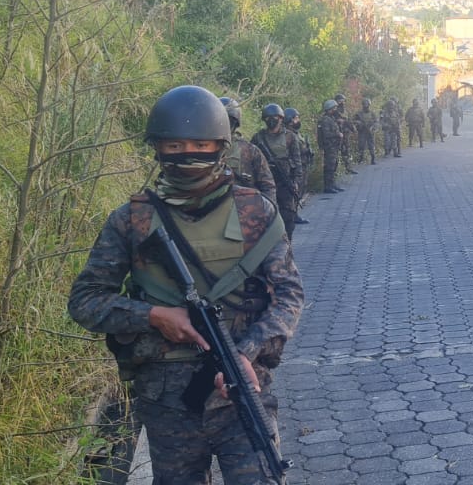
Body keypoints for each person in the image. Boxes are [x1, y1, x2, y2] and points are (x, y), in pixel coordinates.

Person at [68, 84, 304, 484]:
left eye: (200, 144)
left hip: (242, 390)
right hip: (167, 402)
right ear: (158, 149)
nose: (187, 155)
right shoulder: (132, 220)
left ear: (222, 145)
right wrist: (154, 315)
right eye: (174, 146)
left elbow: (289, 295)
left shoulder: (254, 211)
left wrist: (247, 352)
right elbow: (86, 301)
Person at [250, 103, 301, 240]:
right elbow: (252, 161)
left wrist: (296, 182)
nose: (271, 120)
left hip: (285, 182)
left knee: (288, 218)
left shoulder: (290, 137)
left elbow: (297, 161)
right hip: (265, 183)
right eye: (267, 118)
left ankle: (286, 245)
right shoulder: (258, 138)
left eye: (274, 117)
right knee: (267, 217)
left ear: (280, 118)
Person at [218, 97, 277, 211]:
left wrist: (267, 213)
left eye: (227, 121)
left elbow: (268, 186)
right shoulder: (203, 149)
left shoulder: (250, 151)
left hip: (244, 213)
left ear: (234, 123)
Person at [283, 107, 312, 224]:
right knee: (295, 192)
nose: (298, 120)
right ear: (290, 120)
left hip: (302, 165)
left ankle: (294, 214)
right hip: (294, 168)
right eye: (296, 118)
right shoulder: (287, 135)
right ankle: (293, 215)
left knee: (300, 190)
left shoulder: (296, 133)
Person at [317, 99, 344, 194]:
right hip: (329, 147)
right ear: (330, 109)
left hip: (334, 147)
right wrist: (338, 135)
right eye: (334, 108)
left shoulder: (331, 119)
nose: (336, 109)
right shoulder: (325, 120)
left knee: (334, 165)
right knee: (329, 167)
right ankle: (328, 186)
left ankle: (332, 184)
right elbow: (326, 134)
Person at [334, 94, 358, 176]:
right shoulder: (333, 111)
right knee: (336, 154)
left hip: (345, 134)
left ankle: (348, 168)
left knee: (346, 152)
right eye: (341, 101)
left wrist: (353, 129)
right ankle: (335, 172)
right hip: (337, 135)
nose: (342, 102)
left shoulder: (345, 111)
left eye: (343, 101)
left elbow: (349, 121)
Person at [354, 98, 379, 166]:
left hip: (370, 132)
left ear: (369, 105)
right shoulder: (359, 114)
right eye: (364, 104)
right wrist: (359, 123)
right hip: (362, 132)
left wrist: (373, 128)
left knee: (371, 146)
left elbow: (376, 122)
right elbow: (354, 121)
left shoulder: (372, 113)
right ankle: (360, 159)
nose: (365, 106)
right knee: (361, 146)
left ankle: (373, 159)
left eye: (367, 104)